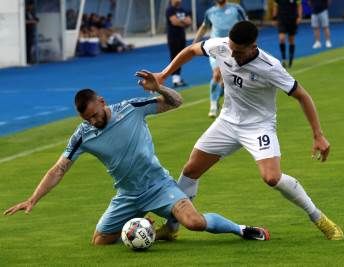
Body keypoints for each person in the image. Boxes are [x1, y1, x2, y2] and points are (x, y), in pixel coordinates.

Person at [3, 70, 269, 244]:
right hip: (127, 195)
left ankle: (242, 229)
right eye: (87, 118)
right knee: (99, 241)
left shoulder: (131, 108)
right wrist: (32, 199)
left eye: (95, 114)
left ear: (102, 102)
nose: (94, 121)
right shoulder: (82, 135)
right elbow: (58, 169)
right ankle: (143, 227)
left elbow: (177, 102)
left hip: (159, 186)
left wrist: (160, 88)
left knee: (195, 223)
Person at [154, 21, 344, 241]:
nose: (231, 54)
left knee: (271, 178)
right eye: (231, 48)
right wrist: (165, 74)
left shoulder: (270, 66)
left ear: (253, 46)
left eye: (238, 51)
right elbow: (191, 50)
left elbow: (303, 95)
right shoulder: (223, 46)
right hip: (227, 122)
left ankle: (319, 218)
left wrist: (318, 135)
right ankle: (172, 227)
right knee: (191, 170)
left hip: (258, 126)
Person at [192, 0, 247, 118]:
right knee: (216, 74)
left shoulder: (236, 8)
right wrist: (194, 43)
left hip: (233, 48)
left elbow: (246, 24)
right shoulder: (210, 12)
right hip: (215, 48)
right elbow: (204, 27)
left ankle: (217, 99)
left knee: (226, 81)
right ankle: (212, 106)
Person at [166, 0, 192, 88]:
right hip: (173, 37)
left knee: (181, 57)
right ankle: (175, 78)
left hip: (182, 37)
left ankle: (178, 77)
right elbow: (174, 22)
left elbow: (189, 22)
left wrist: (180, 22)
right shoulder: (170, 10)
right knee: (174, 57)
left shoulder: (183, 10)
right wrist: (183, 22)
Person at [272, 0, 302, 68]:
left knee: (291, 40)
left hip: (292, 20)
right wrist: (274, 18)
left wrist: (299, 17)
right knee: (281, 39)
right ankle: (283, 59)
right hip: (282, 19)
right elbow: (275, 6)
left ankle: (291, 59)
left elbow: (299, 6)